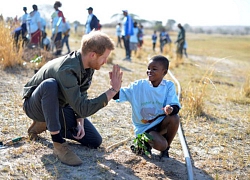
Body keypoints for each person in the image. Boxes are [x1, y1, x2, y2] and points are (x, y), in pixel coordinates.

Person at [22, 31, 123, 166]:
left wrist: (80, 121)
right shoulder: (67, 69)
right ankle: (58, 144)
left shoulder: (88, 66)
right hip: (35, 105)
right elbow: (83, 108)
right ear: (93, 55)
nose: (105, 62)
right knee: (50, 85)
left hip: (59, 105)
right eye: (104, 58)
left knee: (94, 141)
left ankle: (43, 124)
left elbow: (81, 97)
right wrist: (113, 90)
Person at [113, 55, 181, 158]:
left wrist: (170, 109)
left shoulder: (168, 86)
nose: (150, 71)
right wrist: (114, 88)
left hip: (160, 123)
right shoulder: (138, 86)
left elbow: (174, 104)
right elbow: (119, 95)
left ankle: (166, 149)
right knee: (161, 145)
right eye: (148, 68)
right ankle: (143, 143)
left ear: (164, 72)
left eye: (154, 69)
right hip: (144, 128)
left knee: (174, 118)